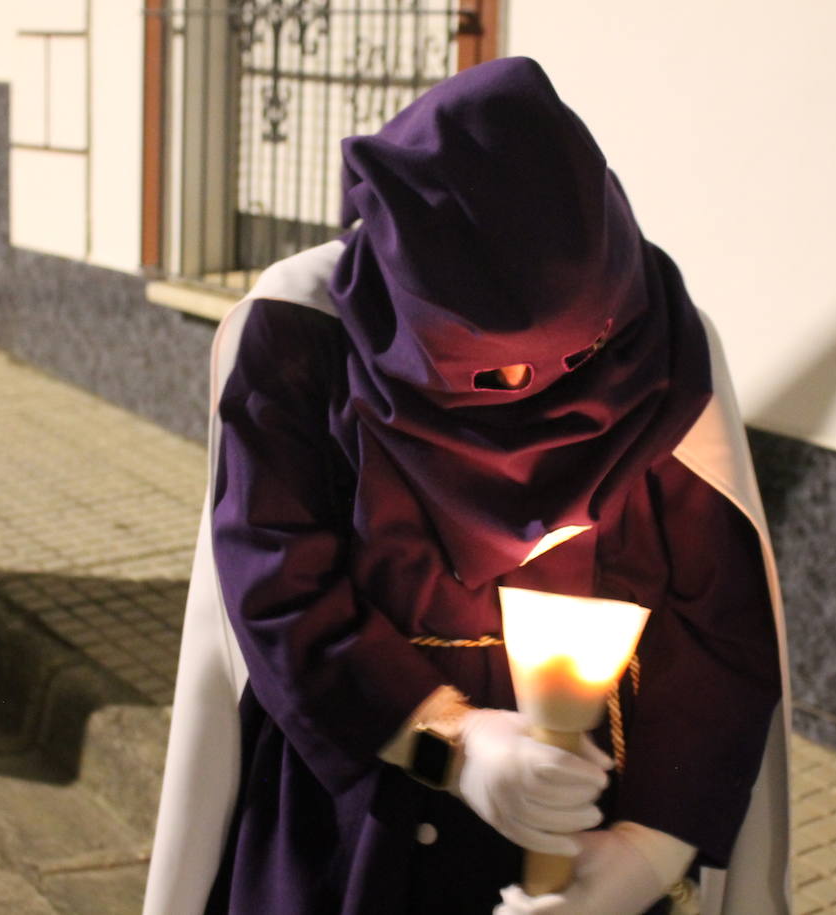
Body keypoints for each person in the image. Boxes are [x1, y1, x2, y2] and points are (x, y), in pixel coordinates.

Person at [143, 57, 792, 915]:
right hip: (357, 809)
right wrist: (456, 742)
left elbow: (718, 625)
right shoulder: (305, 329)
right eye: (493, 377)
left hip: (588, 809)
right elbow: (279, 592)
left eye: (574, 364)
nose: (535, 401)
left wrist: (648, 848)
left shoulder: (664, 343)